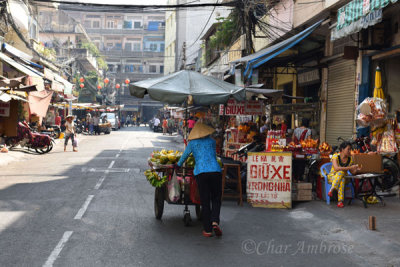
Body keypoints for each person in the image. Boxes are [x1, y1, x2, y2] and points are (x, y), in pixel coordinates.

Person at [177, 123, 222, 237]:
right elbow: (213, 155)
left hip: (201, 173)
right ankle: (215, 221)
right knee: (216, 198)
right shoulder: (212, 141)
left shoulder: (192, 143)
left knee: (205, 201)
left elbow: (185, 156)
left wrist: (177, 165)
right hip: (216, 171)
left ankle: (207, 230)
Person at [327, 141, 361, 208]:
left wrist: (356, 169)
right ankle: (340, 201)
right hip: (332, 177)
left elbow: (352, 172)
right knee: (341, 174)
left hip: (344, 178)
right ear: (342, 149)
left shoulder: (350, 159)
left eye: (350, 149)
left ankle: (332, 189)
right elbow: (336, 168)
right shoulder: (335, 156)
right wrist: (350, 167)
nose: (349, 151)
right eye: (348, 149)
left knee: (342, 175)